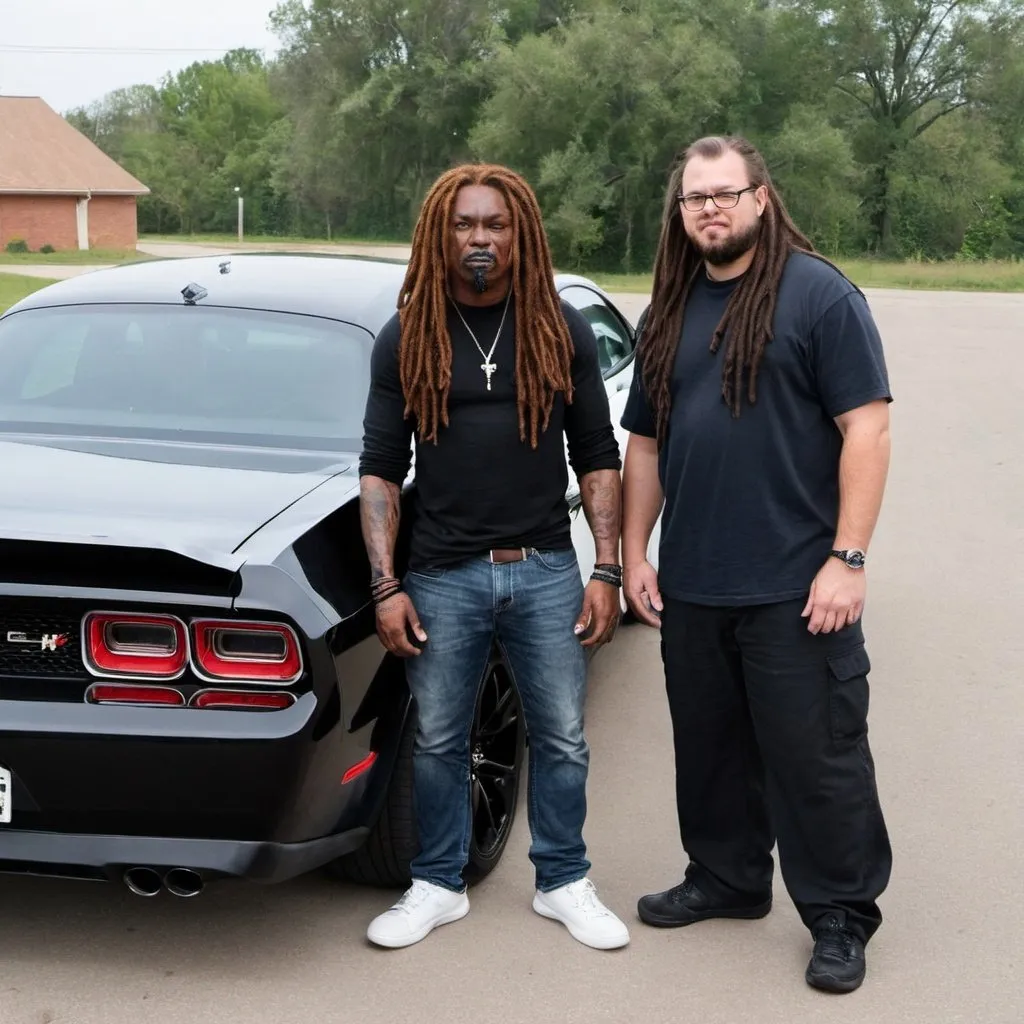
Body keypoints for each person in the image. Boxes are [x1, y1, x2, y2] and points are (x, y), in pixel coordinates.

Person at [620, 135, 893, 993]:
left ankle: (841, 915)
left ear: (762, 198)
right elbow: (646, 443)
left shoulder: (819, 296)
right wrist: (633, 550)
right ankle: (727, 879)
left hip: (796, 583)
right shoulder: (668, 308)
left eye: (724, 193)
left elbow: (869, 428)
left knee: (817, 755)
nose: (708, 208)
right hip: (695, 582)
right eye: (694, 197)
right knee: (711, 750)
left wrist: (847, 557)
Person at [357, 162, 630, 951]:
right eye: (466, 225)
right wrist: (385, 585)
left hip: (545, 566)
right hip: (441, 573)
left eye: (496, 225)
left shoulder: (557, 328)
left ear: (522, 235)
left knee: (563, 737)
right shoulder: (408, 335)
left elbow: (597, 456)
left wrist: (606, 569)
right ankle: (438, 883)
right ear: (441, 235)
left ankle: (564, 879)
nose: (481, 239)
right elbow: (379, 469)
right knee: (440, 739)